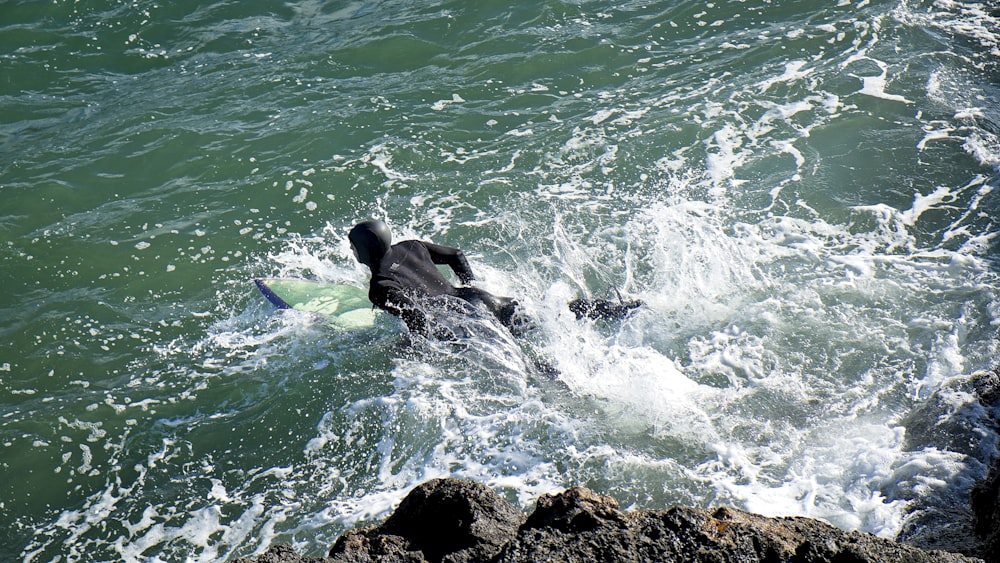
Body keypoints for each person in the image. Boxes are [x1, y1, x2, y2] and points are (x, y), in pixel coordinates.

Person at [348, 219, 641, 338]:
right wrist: (465, 285)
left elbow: (418, 319)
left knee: (522, 361)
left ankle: (565, 384)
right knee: (553, 314)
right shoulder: (411, 246)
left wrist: (419, 349)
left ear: (362, 251)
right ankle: (620, 310)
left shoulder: (380, 286)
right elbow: (456, 255)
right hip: (479, 299)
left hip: (466, 319)